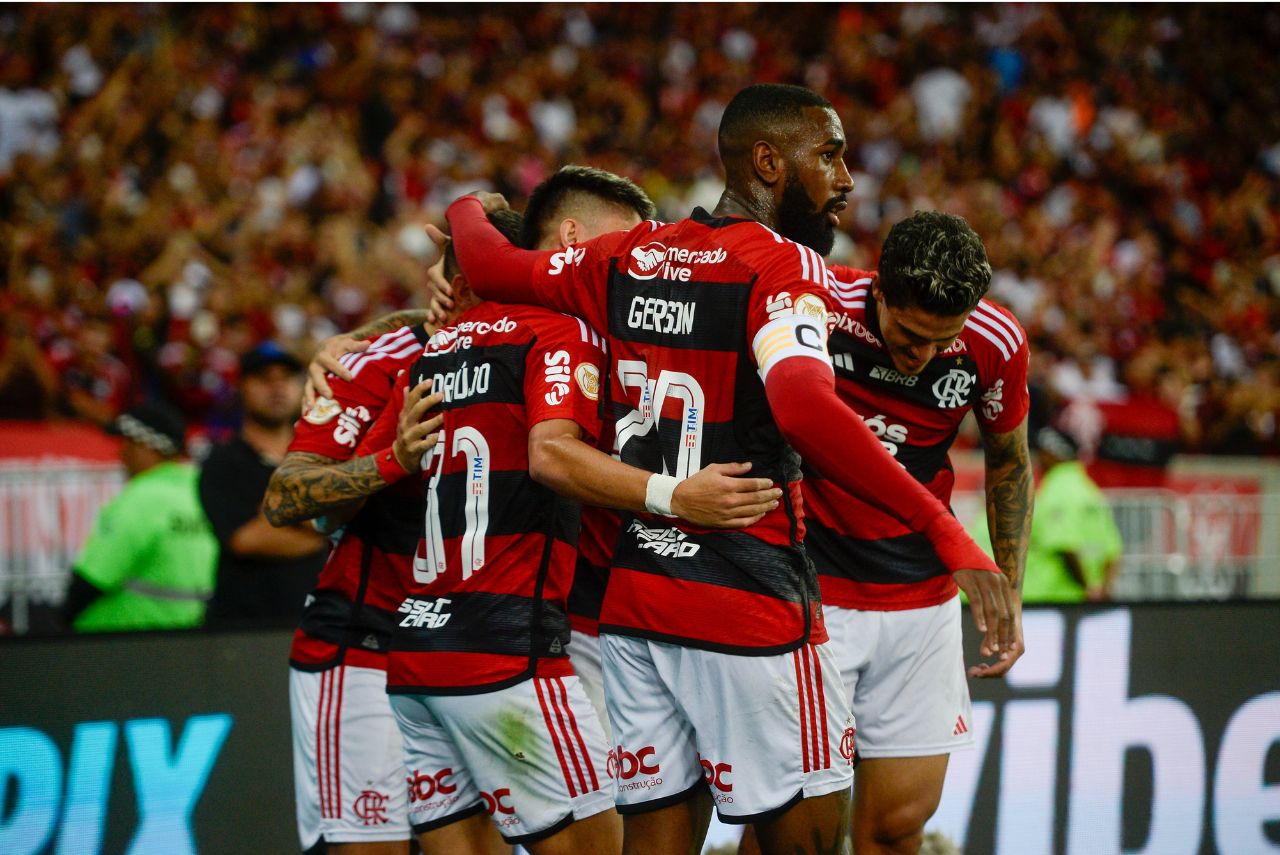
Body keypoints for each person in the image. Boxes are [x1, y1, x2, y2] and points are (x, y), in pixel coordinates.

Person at [443, 83, 1014, 855]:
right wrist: (944, 527)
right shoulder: (783, 268)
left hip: (638, 603)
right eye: (831, 154)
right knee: (809, 837)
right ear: (770, 162)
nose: (847, 179)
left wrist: (466, 207)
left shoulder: (623, 256)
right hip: (748, 602)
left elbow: (485, 262)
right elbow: (807, 411)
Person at [266, 169, 692, 855]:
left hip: (431, 648)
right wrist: (391, 459)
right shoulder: (398, 357)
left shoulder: (463, 347)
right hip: (371, 641)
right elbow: (286, 498)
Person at [798, 211, 1031, 855]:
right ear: (878, 291)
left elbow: (1010, 460)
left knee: (898, 830)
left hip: (920, 605)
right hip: (812, 596)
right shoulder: (816, 306)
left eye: (940, 339)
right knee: (795, 834)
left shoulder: (995, 342)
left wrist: (1008, 591)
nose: (920, 355)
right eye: (907, 334)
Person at [199, 343, 329, 626]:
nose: (277, 387)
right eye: (264, 379)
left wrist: (279, 512)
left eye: (286, 378)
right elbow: (246, 539)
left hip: (319, 624)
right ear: (242, 387)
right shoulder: (223, 461)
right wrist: (323, 529)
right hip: (245, 627)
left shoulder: (323, 456)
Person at [61, 400, 217, 631]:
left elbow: (93, 578)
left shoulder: (140, 498)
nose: (121, 454)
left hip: (122, 639)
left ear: (146, 446)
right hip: (189, 635)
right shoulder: (201, 491)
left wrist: (60, 624)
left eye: (128, 443)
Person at [1021, 426, 1122, 602]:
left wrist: (1087, 589)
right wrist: (1102, 590)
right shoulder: (1090, 490)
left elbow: (1064, 546)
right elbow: (1113, 551)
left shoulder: (1056, 490)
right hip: (1085, 600)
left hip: (1053, 596)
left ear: (1051, 453)